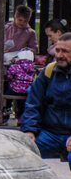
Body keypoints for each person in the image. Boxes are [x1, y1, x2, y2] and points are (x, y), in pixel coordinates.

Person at [21, 33, 71, 168]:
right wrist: (29, 130)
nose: (59, 55)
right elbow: (33, 103)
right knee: (22, 153)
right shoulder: (49, 71)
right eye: (58, 50)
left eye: (65, 51)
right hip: (50, 133)